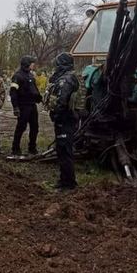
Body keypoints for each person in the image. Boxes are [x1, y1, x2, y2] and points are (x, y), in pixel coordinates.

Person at [47, 53, 79, 191]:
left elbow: (62, 100)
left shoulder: (67, 79)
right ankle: (64, 180)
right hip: (67, 118)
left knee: (65, 151)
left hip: (65, 119)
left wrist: (56, 115)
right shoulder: (69, 76)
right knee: (62, 150)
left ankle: (69, 183)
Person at [10, 56, 42, 156]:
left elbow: (34, 89)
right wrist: (15, 107)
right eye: (32, 63)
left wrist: (39, 97)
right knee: (21, 127)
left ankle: (32, 148)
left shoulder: (31, 75)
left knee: (35, 127)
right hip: (23, 106)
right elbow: (13, 93)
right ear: (27, 64)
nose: (34, 65)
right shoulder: (17, 76)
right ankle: (15, 148)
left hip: (32, 105)